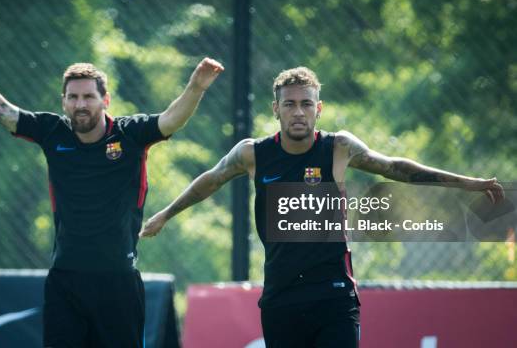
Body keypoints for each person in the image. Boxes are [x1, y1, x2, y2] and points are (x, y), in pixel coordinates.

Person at [139, 66, 505, 348]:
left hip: (333, 296)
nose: (298, 112)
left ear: (319, 108)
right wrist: (165, 213)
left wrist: (466, 182)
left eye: (306, 104)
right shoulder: (253, 153)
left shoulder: (338, 148)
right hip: (281, 297)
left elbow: (398, 168)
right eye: (290, 104)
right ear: (276, 110)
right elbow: (211, 179)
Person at [0, 35, 224, 348]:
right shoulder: (51, 131)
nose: (80, 104)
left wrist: (196, 86)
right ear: (63, 101)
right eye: (72, 97)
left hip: (118, 282)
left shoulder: (131, 133)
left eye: (88, 97)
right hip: (65, 280)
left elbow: (171, 119)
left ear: (105, 100)